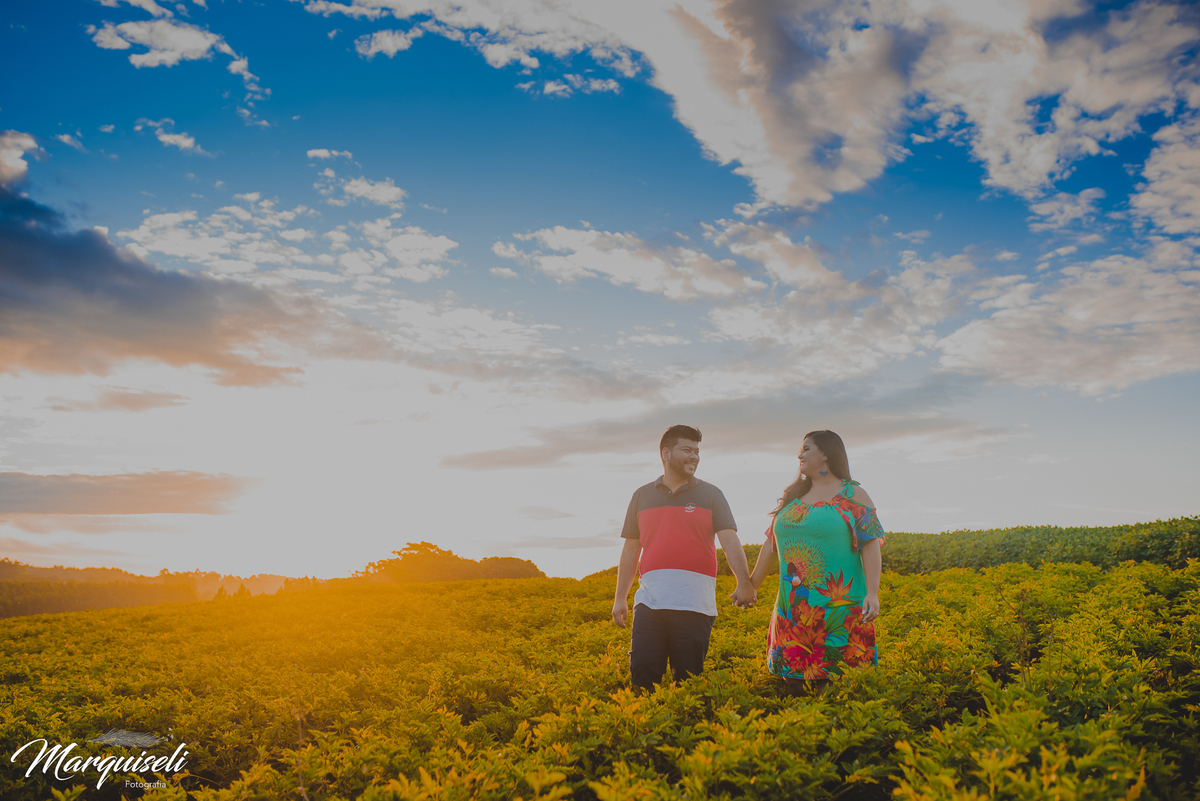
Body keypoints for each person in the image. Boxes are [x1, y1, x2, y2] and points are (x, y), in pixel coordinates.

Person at [612, 424, 756, 691]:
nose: (694, 456)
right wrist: (620, 597)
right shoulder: (642, 495)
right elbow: (631, 549)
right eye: (687, 450)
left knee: (688, 684)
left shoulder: (711, 494)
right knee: (642, 679)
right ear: (666, 453)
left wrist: (744, 582)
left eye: (697, 451)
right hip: (649, 603)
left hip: (694, 604)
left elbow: (729, 540)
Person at [748, 430, 884, 691]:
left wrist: (873, 592)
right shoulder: (793, 497)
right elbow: (771, 544)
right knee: (794, 690)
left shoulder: (852, 494)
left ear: (825, 454)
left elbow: (870, 543)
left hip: (839, 611)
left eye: (806, 449)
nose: (800, 454)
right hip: (792, 613)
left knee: (837, 691)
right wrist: (751, 585)